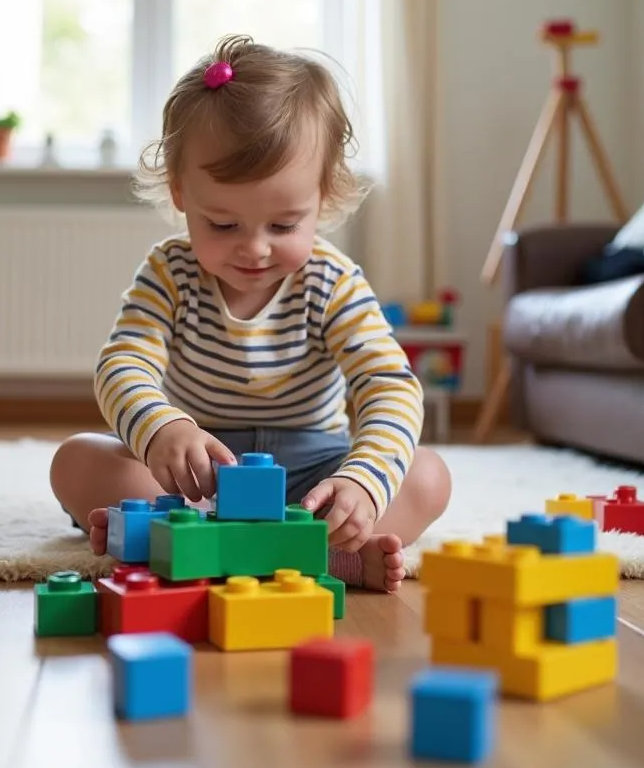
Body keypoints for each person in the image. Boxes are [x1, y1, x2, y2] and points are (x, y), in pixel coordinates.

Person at [50, 34, 451, 592]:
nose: (256, 248)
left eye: (283, 226)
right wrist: (163, 428)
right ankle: (277, 551)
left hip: (314, 480)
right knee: (76, 461)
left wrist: (362, 484)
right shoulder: (169, 272)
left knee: (428, 477)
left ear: (325, 195)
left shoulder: (333, 282)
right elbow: (123, 366)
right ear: (181, 192)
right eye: (223, 225)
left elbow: (389, 385)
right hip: (198, 476)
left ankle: (219, 547)